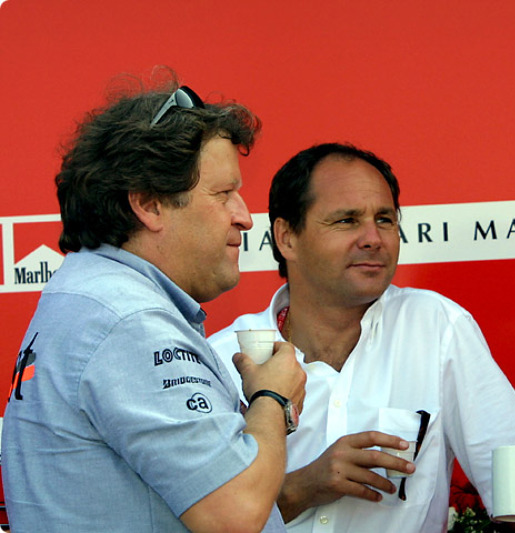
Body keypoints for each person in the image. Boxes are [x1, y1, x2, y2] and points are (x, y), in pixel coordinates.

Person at [1, 81, 306, 532]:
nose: (243, 215)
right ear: (148, 204)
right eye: (223, 194)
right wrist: (272, 398)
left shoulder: (89, 296)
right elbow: (234, 512)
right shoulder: (128, 321)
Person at [208, 142, 515, 533]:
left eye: (385, 219)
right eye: (347, 220)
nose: (373, 238)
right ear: (287, 237)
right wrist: (304, 487)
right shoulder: (222, 356)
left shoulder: (437, 326)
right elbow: (192, 521)